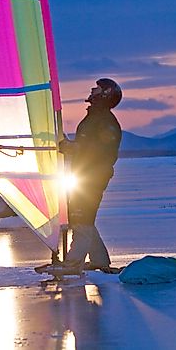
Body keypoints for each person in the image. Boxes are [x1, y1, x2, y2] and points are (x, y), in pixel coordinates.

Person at [57, 78, 122, 273]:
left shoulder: (106, 122)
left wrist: (74, 148)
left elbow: (100, 149)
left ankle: (73, 263)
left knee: (82, 218)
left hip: (93, 176)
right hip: (82, 174)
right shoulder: (94, 117)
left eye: (98, 88)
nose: (93, 90)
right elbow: (86, 144)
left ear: (105, 94)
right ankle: (99, 260)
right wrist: (72, 146)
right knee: (83, 216)